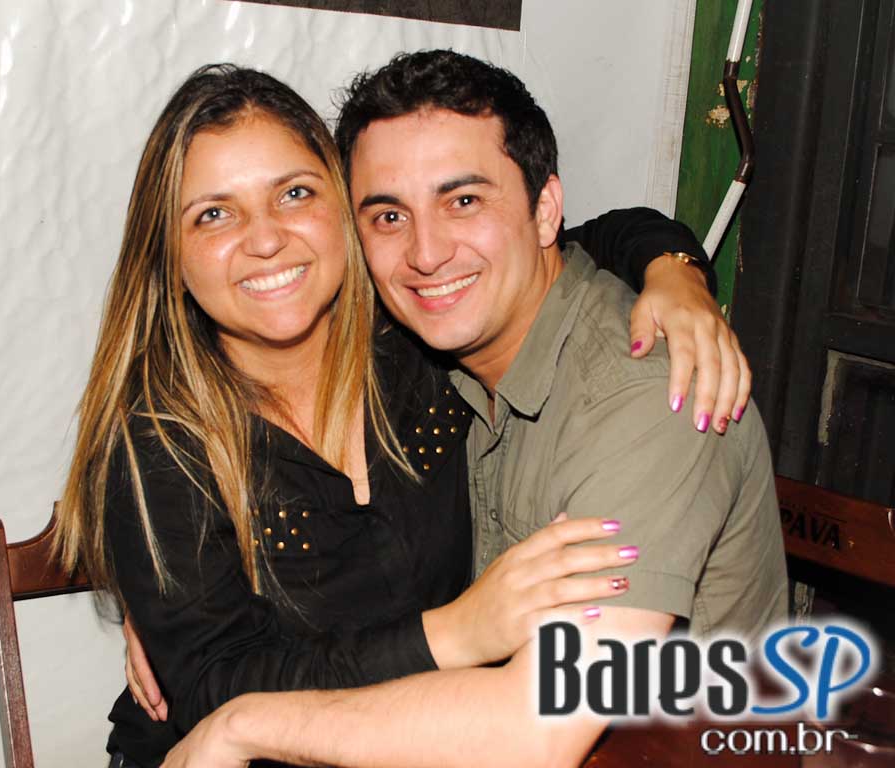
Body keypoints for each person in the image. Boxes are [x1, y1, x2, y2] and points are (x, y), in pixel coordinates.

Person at [55, 64, 748, 768]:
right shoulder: (160, 444)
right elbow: (213, 688)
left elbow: (545, 244)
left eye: (294, 193)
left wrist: (673, 268)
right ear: (168, 254)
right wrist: (455, 633)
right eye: (213, 213)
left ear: (344, 214)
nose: (264, 239)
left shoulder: (419, 334)